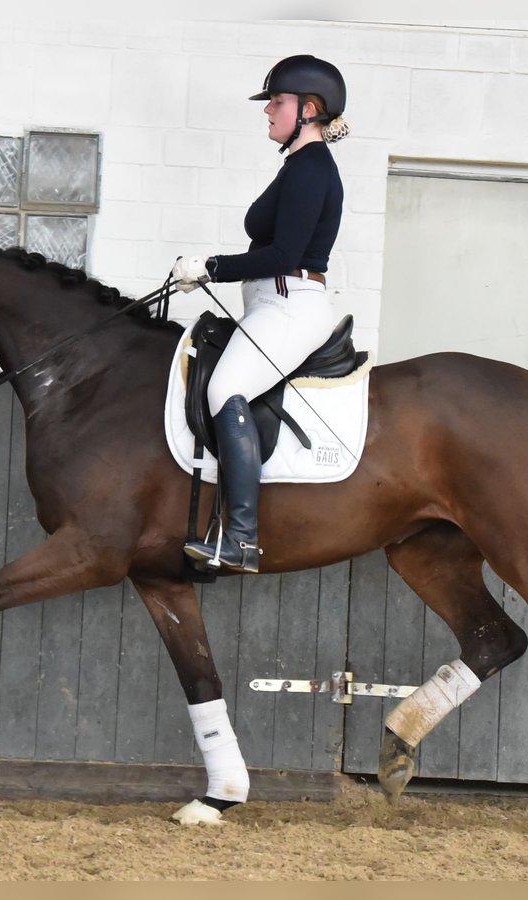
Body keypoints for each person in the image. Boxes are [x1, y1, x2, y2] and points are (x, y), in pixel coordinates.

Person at [173, 54, 349, 574]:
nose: (268, 110)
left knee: (224, 388)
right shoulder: (297, 165)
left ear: (309, 109)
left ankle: (242, 539)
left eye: (277, 101)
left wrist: (211, 266)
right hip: (271, 301)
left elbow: (282, 256)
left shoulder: (312, 169)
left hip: (291, 304)